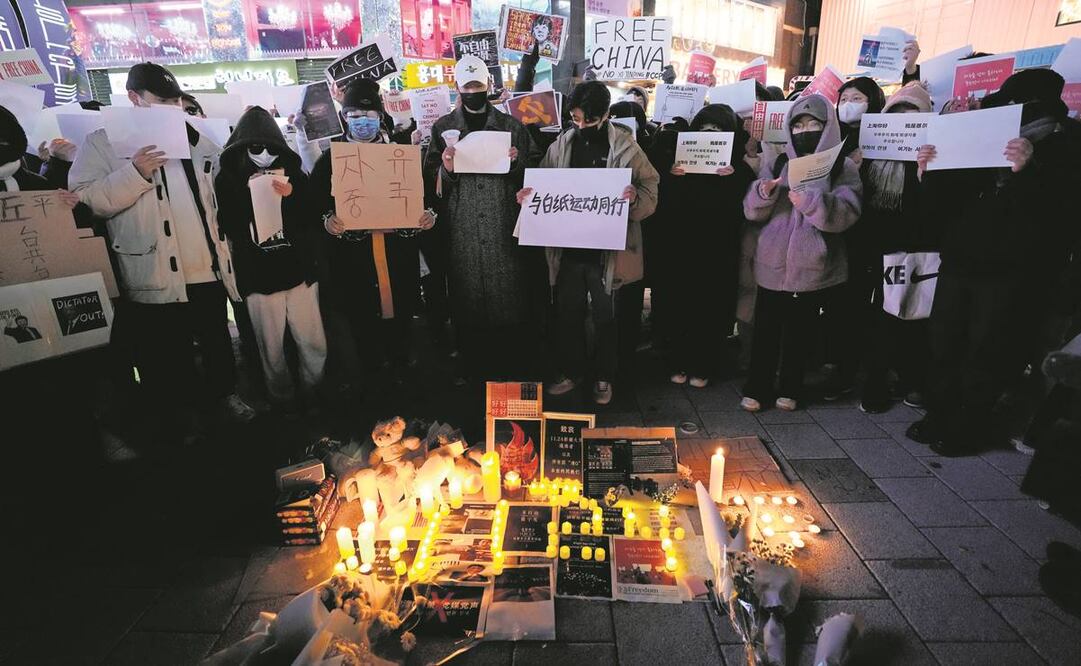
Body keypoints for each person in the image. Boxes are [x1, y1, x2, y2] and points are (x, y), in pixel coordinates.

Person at [69, 62, 255, 440]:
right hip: (152, 269)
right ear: (134, 99)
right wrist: (134, 172)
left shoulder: (197, 138)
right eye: (161, 101)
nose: (171, 109)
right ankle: (180, 417)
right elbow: (86, 199)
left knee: (216, 339)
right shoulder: (103, 143)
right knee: (166, 352)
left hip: (207, 265)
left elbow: (222, 189)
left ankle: (224, 398)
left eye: (175, 101)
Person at [908, 68, 1081, 455]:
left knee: (988, 349)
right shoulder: (983, 136)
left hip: (1012, 271)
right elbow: (949, 204)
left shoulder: (1066, 144)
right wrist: (929, 172)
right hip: (961, 260)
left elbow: (1061, 212)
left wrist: (1028, 172)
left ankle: (969, 426)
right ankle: (940, 413)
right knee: (945, 341)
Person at [517, 81, 659, 405]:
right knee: (568, 314)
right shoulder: (561, 145)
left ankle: (604, 377)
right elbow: (543, 182)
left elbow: (651, 187)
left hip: (608, 252)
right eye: (575, 119)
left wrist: (635, 199)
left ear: (606, 115)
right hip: (567, 250)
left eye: (589, 121)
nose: (581, 127)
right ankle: (572, 370)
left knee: (607, 318)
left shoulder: (625, 148)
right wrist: (528, 195)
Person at [740, 93, 862, 412]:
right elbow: (752, 211)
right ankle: (756, 387)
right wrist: (763, 193)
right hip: (771, 266)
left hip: (812, 270)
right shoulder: (779, 161)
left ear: (828, 127)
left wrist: (810, 202)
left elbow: (846, 213)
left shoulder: (843, 166)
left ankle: (790, 388)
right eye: (798, 125)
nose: (804, 130)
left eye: (813, 124)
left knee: (798, 334)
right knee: (765, 332)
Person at [424, 55, 542, 382]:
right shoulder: (443, 128)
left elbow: (535, 173)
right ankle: (474, 369)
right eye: (468, 86)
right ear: (458, 87)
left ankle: (509, 368)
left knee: (509, 299)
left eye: (479, 85)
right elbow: (430, 183)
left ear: (488, 86)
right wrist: (446, 169)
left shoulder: (512, 127)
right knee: (468, 300)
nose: (474, 91)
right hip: (463, 229)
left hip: (503, 224)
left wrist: (518, 163)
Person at [310, 79, 436, 383]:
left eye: (369, 117)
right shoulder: (331, 159)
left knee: (401, 318)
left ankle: (403, 375)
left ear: (380, 118)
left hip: (397, 255)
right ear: (345, 118)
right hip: (354, 258)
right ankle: (371, 385)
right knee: (363, 324)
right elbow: (312, 203)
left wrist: (429, 214)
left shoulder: (401, 156)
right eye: (355, 116)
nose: (362, 123)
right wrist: (327, 219)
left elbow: (427, 196)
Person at [215, 106, 326, 413]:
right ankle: (282, 398)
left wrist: (292, 196)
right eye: (255, 148)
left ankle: (314, 390)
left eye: (269, 148)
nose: (263, 153)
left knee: (312, 337)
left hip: (298, 271)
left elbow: (311, 217)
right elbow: (228, 225)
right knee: (270, 346)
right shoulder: (228, 180)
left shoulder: (295, 174)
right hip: (259, 276)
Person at [649, 104, 754, 387]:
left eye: (717, 130)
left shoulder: (740, 169)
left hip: (719, 251)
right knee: (679, 305)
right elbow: (665, 207)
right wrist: (672, 177)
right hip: (683, 250)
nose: (710, 135)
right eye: (704, 129)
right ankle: (678, 361)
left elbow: (746, 210)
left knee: (713, 307)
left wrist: (735, 178)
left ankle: (704, 364)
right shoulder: (678, 163)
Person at [856, 82, 937, 413]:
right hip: (874, 247)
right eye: (897, 114)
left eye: (913, 116)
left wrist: (925, 174)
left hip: (912, 248)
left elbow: (936, 210)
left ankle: (911, 378)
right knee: (878, 317)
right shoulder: (872, 156)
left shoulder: (935, 156)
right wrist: (857, 164)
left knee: (910, 315)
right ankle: (875, 381)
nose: (903, 122)